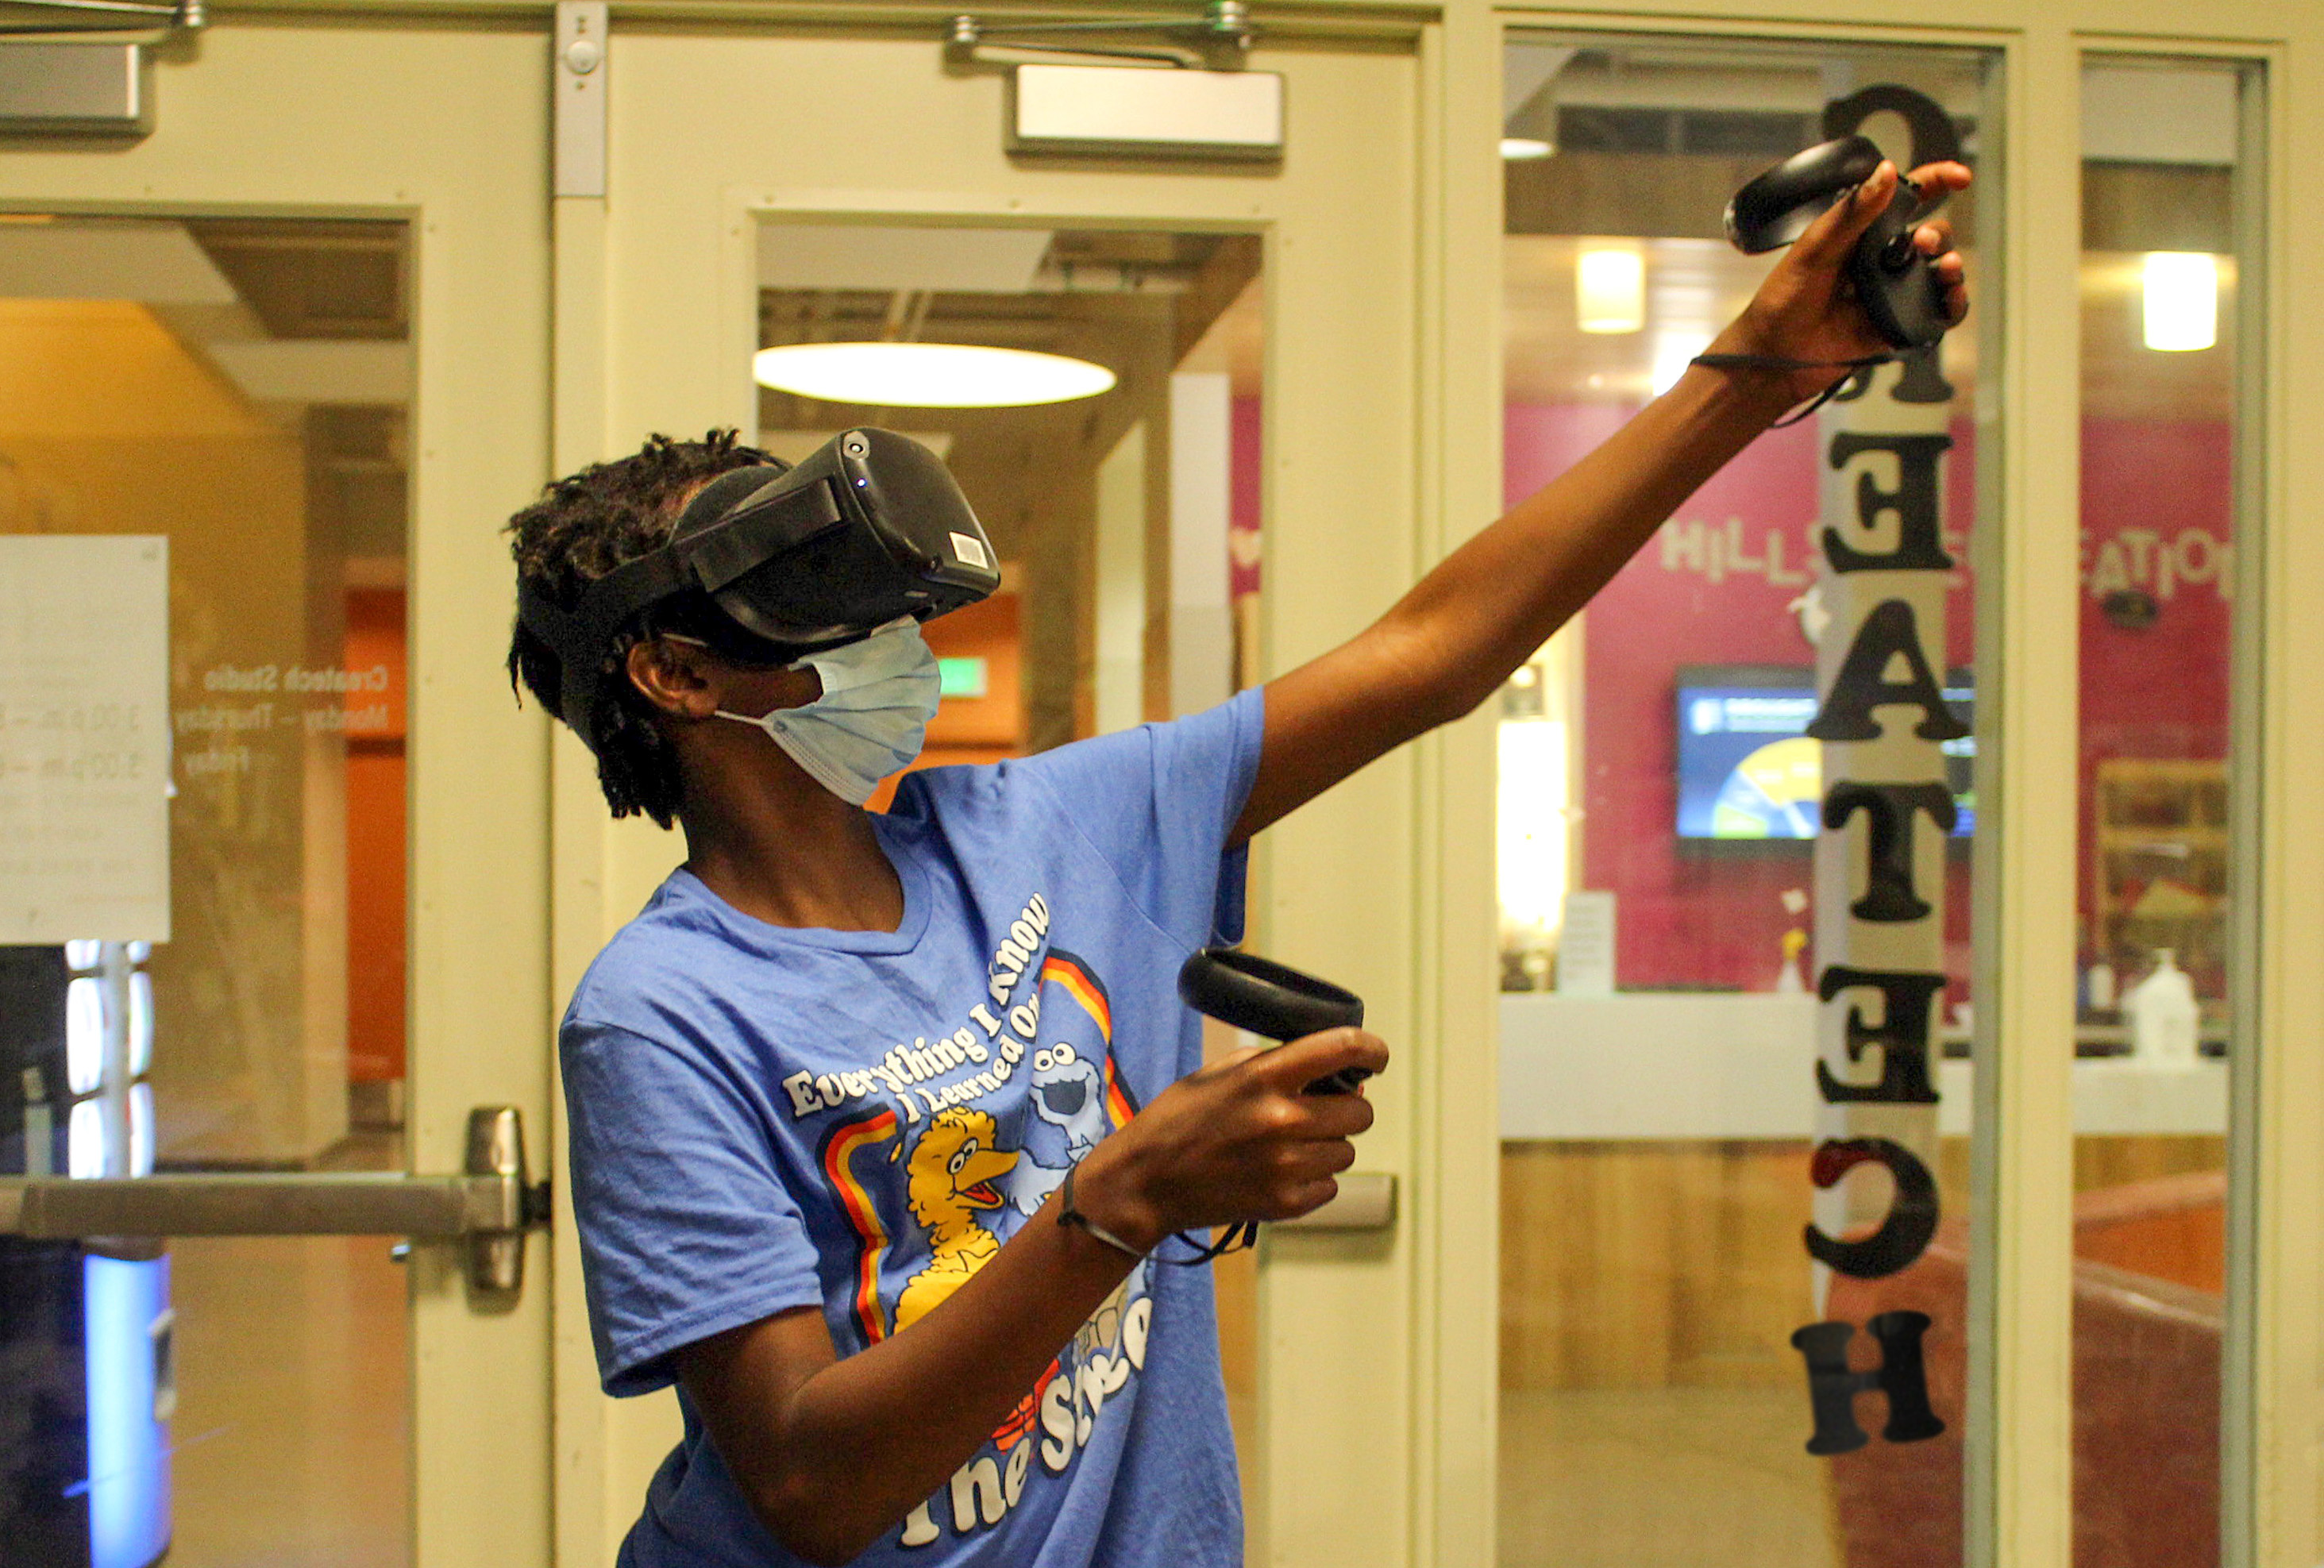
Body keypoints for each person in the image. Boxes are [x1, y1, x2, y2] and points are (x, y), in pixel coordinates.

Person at [507, 158, 1970, 1568]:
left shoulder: (1049, 826)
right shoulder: (661, 1016)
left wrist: (1762, 365)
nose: (883, 641)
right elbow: (809, 1483)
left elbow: (1438, 651)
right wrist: (1116, 1202)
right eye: (800, 597)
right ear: (679, 675)